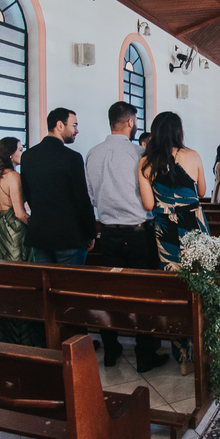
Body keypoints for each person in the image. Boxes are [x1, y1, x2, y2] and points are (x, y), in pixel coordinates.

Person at [85, 102, 168, 372]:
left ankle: (111, 350)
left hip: (107, 232)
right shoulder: (139, 153)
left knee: (113, 293)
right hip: (138, 233)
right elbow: (151, 196)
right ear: (131, 122)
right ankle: (145, 354)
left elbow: (91, 196)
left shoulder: (92, 154)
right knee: (143, 294)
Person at [139, 111, 207, 373]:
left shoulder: (145, 162)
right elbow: (201, 192)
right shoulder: (192, 156)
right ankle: (204, 346)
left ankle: (183, 358)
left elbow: (147, 204)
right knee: (199, 285)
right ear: (179, 131)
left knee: (175, 290)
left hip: (165, 229)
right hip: (193, 224)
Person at [0, 136, 43, 345]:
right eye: (19, 148)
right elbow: (19, 213)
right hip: (13, 233)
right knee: (19, 281)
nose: (22, 151)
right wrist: (36, 226)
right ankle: (22, 335)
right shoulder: (13, 177)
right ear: (10, 154)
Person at [20, 107, 97, 270]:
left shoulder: (27, 156)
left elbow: (29, 194)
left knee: (46, 286)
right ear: (60, 125)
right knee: (70, 286)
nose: (77, 130)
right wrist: (91, 232)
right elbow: (82, 199)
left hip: (40, 234)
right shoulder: (72, 158)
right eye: (74, 125)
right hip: (69, 236)